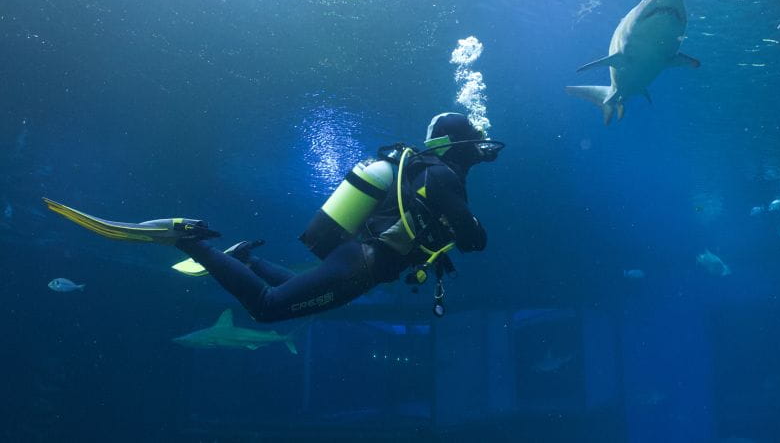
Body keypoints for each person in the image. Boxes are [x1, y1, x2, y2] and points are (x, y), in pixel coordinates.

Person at [43, 112, 503, 322]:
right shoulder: (441, 176)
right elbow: (473, 239)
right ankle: (189, 239)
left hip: (359, 258)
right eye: (475, 139)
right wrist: (474, 229)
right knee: (267, 309)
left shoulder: (423, 170)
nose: (482, 146)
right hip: (363, 262)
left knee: (283, 294)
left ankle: (245, 258)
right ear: (456, 144)